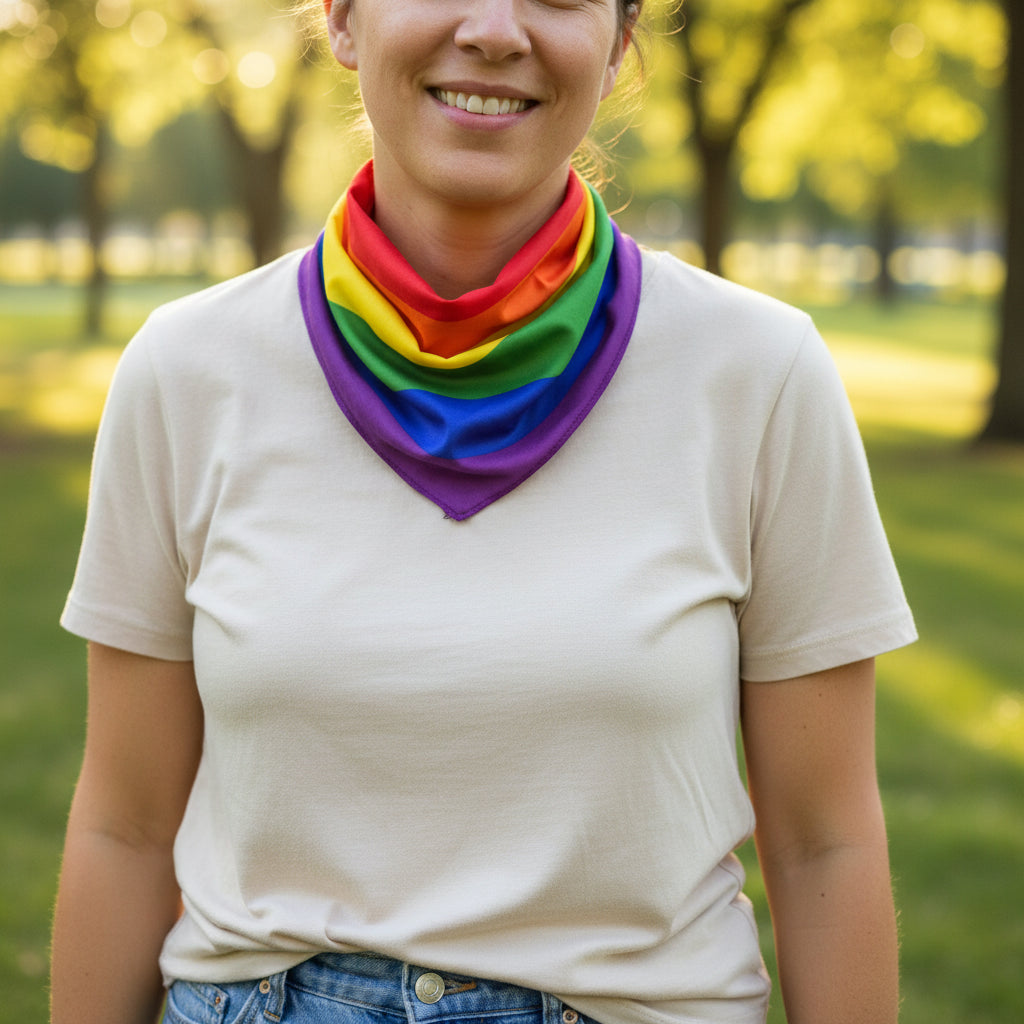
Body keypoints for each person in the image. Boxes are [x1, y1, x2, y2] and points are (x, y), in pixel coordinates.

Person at [50, 0, 917, 1021]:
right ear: (341, 20)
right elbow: (125, 828)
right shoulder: (186, 370)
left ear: (620, 41)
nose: (496, 30)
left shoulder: (759, 373)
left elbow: (824, 841)